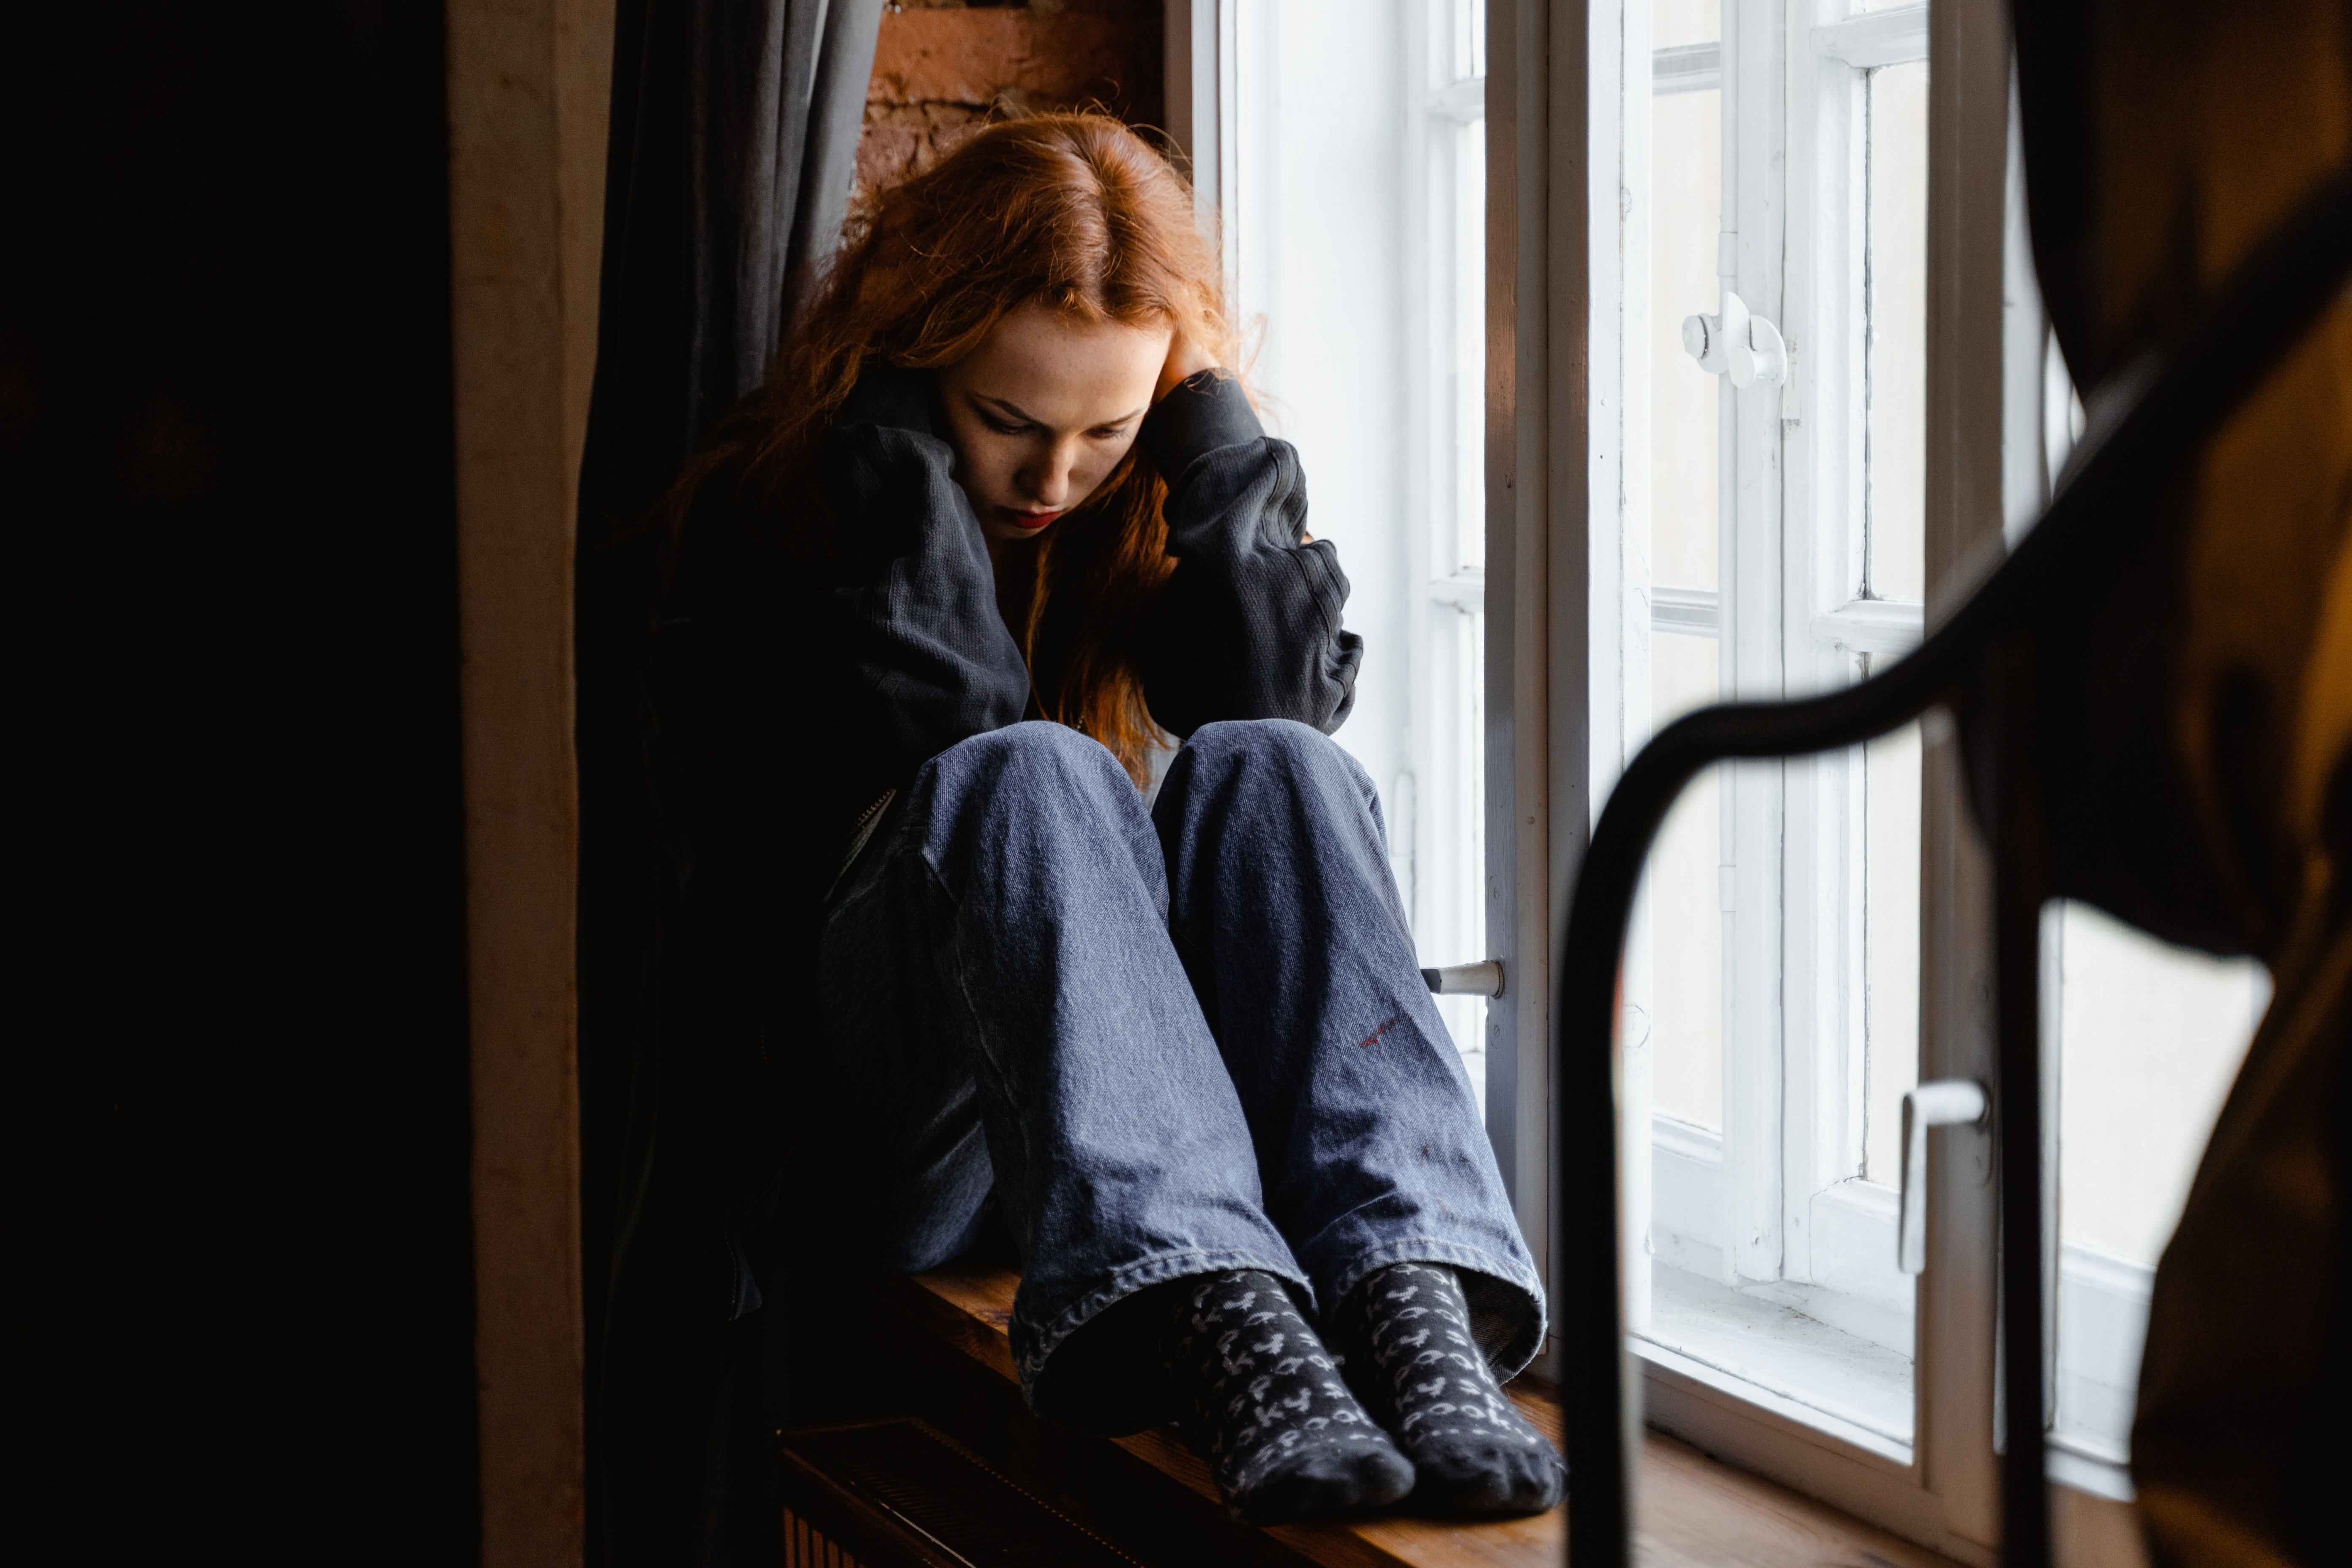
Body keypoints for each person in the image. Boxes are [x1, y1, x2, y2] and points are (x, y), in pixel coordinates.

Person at [650, 112, 1561, 1526]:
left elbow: (1277, 706)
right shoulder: (781, 528)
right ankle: (1209, 1319)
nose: (1053, 479)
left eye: (1109, 429)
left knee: (1281, 767)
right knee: (1031, 771)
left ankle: (1412, 1296)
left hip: (1114, 1151)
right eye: (1005, 420)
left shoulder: (1135, 514)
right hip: (893, 1158)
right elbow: (953, 728)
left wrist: (1215, 442)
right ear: (914, 362)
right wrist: (894, 459)